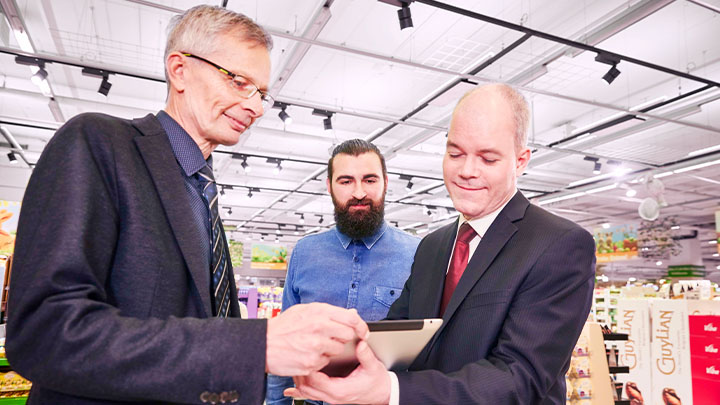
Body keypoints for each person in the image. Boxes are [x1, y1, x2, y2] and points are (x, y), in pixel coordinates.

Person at [5, 6, 366, 404]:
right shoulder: (97, 144)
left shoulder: (200, 188)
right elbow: (45, 330)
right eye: (240, 82)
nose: (257, 107)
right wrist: (255, 346)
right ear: (179, 70)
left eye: (261, 93)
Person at [285, 83, 597, 404]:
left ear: (520, 161)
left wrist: (390, 391)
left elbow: (520, 377)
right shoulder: (434, 245)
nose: (466, 171)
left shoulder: (560, 246)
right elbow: (399, 332)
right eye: (455, 153)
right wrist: (337, 357)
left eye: (488, 159)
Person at [266, 139, 420, 405]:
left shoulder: (418, 253)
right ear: (329, 186)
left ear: (385, 182)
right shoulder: (304, 253)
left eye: (370, 180)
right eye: (346, 181)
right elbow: (284, 341)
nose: (358, 192)